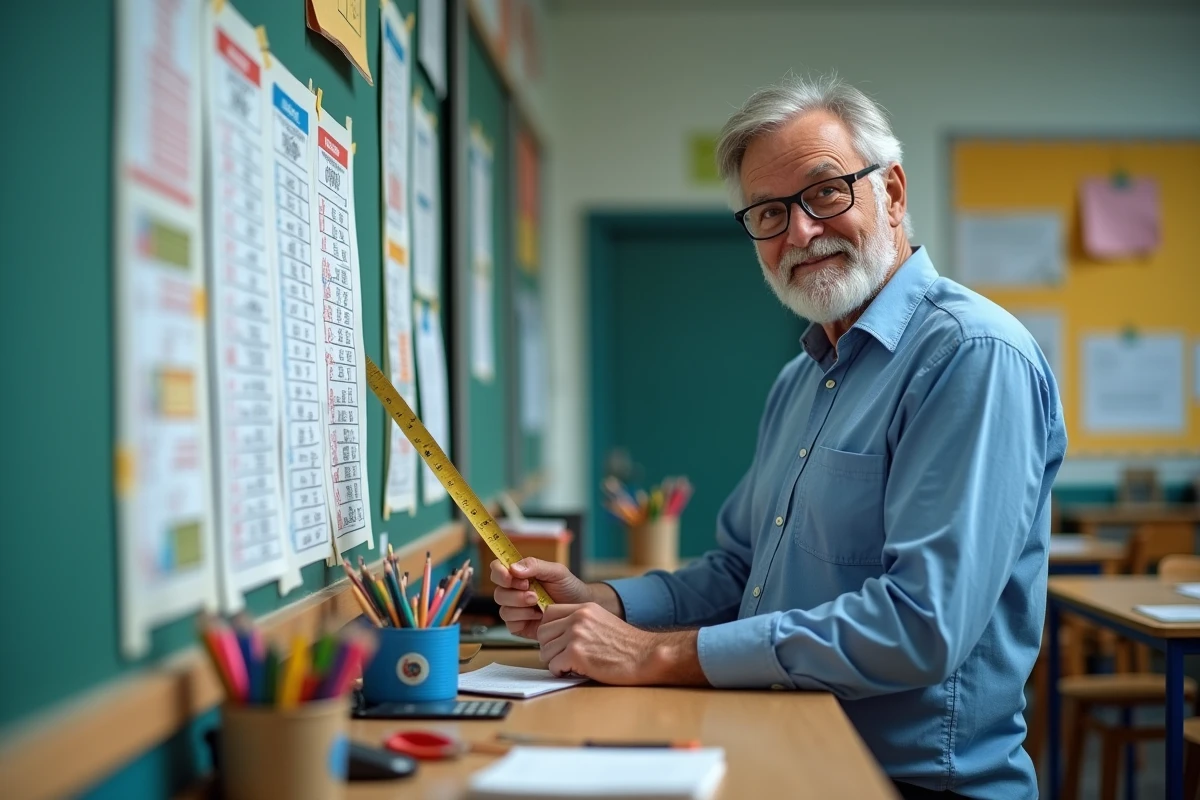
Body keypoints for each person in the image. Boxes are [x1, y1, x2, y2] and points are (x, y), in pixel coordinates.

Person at [491, 74, 1065, 800]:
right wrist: (609, 604)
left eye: (825, 193)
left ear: (891, 193)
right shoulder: (800, 379)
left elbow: (921, 626)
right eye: (768, 212)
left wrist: (653, 655)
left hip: (911, 783)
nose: (799, 232)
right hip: (782, 746)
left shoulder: (972, 356)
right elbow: (743, 572)